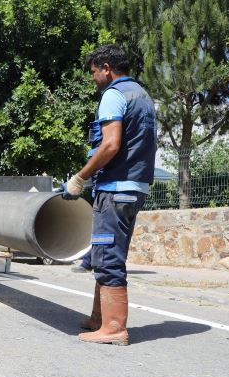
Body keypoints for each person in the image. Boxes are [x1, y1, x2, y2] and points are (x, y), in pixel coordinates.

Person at [61, 44, 157, 346]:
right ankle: (99, 318)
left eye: (93, 72)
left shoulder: (114, 95)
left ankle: (113, 328)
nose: (93, 78)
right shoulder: (142, 96)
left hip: (115, 189)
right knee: (107, 254)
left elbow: (111, 144)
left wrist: (80, 178)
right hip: (135, 188)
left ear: (106, 68)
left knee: (107, 256)